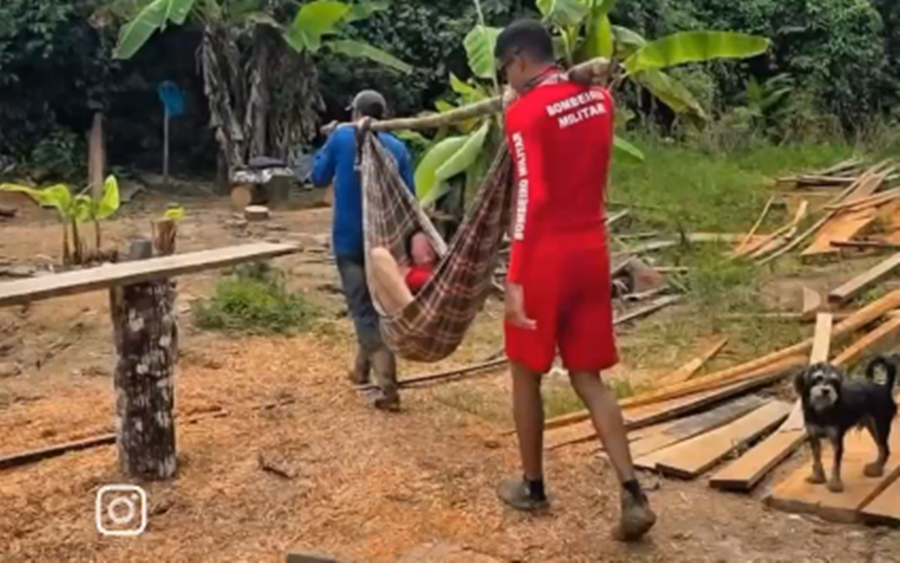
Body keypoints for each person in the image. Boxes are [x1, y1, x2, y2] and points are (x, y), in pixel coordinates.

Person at [494, 20, 657, 542]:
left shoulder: (524, 115)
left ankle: (533, 486)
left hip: (545, 256)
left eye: (505, 69)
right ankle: (632, 491)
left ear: (519, 61)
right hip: (592, 251)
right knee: (589, 378)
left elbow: (530, 197)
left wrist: (516, 276)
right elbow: (579, 92)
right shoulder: (599, 101)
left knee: (525, 371)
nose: (505, 78)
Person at [312, 89, 416, 412]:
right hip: (384, 244)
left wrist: (330, 138)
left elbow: (317, 177)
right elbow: (409, 197)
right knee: (374, 305)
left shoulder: (342, 140)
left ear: (355, 113)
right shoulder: (398, 148)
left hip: (349, 241)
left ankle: (388, 387)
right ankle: (360, 369)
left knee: (363, 310)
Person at [369, 231, 438, 315]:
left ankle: (413, 310)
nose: (426, 258)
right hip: (404, 313)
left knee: (378, 255)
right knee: (378, 254)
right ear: (412, 256)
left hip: (429, 311)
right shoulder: (409, 270)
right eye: (420, 254)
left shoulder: (443, 269)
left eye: (429, 252)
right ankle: (412, 309)